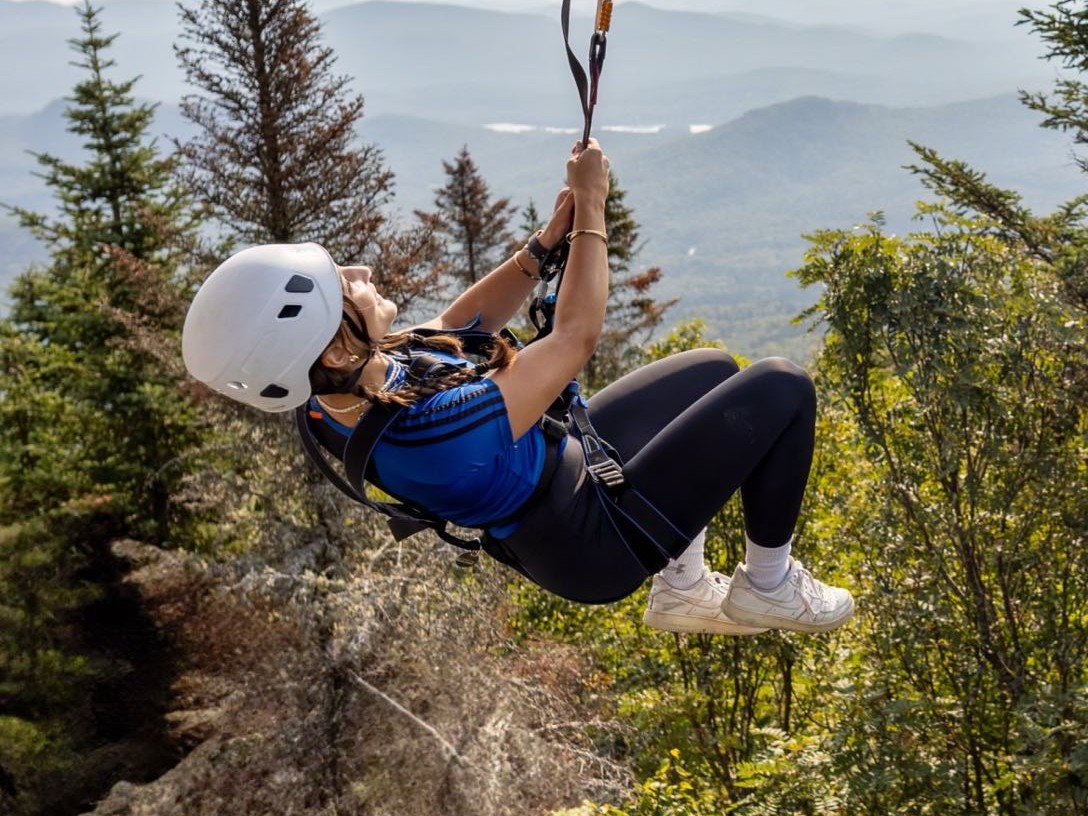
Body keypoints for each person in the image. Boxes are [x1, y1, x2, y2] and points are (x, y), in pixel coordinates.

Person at [182, 138, 853, 636]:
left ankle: (681, 586)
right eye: (342, 285)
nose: (358, 269)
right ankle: (768, 584)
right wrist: (592, 206)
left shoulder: (337, 387)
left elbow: (453, 327)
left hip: (567, 469)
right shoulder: (436, 432)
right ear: (331, 342)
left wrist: (542, 246)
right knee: (782, 387)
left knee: (711, 371)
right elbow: (574, 338)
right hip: (593, 541)